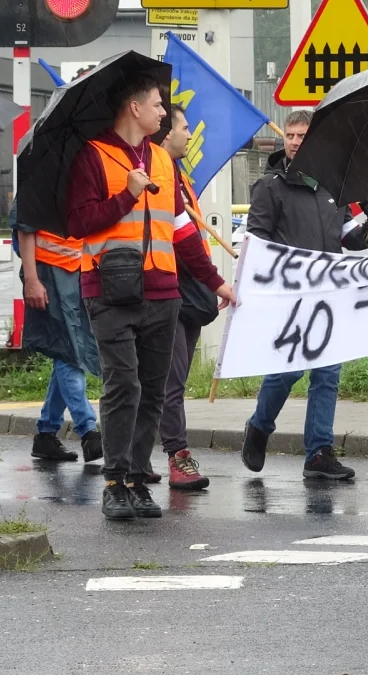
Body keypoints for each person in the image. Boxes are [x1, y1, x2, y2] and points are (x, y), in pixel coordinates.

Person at [66, 72, 234, 520]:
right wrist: (126, 194)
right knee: (124, 384)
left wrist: (215, 281)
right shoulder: (94, 156)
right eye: (158, 105)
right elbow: (79, 223)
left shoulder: (161, 159)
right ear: (134, 108)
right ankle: (114, 482)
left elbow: (180, 228)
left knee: (153, 391)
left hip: (163, 292)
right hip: (109, 290)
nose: (164, 113)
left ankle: (138, 481)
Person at [239, 109, 368, 482]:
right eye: (291, 135)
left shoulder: (333, 185)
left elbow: (348, 237)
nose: (295, 142)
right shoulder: (270, 186)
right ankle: (260, 425)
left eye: (302, 136)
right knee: (288, 370)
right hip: (289, 298)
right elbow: (257, 241)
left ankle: (319, 452)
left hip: (328, 294)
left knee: (328, 373)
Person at [13, 197, 102, 464]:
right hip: (49, 274)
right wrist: (32, 279)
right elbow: (24, 227)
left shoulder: (79, 177)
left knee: (67, 351)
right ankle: (88, 430)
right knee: (68, 351)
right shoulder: (41, 176)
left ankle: (46, 433)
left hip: (76, 271)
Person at [155, 105, 212, 490]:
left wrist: (210, 282)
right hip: (166, 288)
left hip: (190, 289)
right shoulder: (158, 177)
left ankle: (134, 457)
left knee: (172, 380)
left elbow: (195, 236)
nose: (190, 134)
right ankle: (177, 455)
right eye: (184, 127)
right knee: (169, 381)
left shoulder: (180, 177)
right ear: (166, 132)